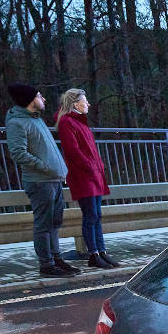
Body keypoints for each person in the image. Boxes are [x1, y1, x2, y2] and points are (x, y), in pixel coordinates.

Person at [5, 83, 78, 279]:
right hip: (39, 181)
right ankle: (46, 264)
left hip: (53, 180)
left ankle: (56, 259)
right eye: (39, 96)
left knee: (54, 222)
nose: (43, 99)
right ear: (30, 100)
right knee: (44, 224)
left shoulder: (36, 119)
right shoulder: (17, 123)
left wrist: (57, 169)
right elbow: (18, 153)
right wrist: (45, 167)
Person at [56, 88, 118, 269]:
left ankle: (101, 251)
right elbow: (72, 150)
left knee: (96, 215)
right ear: (76, 104)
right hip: (84, 176)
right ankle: (93, 254)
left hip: (93, 175)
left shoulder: (80, 123)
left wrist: (97, 167)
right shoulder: (67, 122)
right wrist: (90, 166)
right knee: (91, 215)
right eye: (85, 101)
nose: (88, 104)